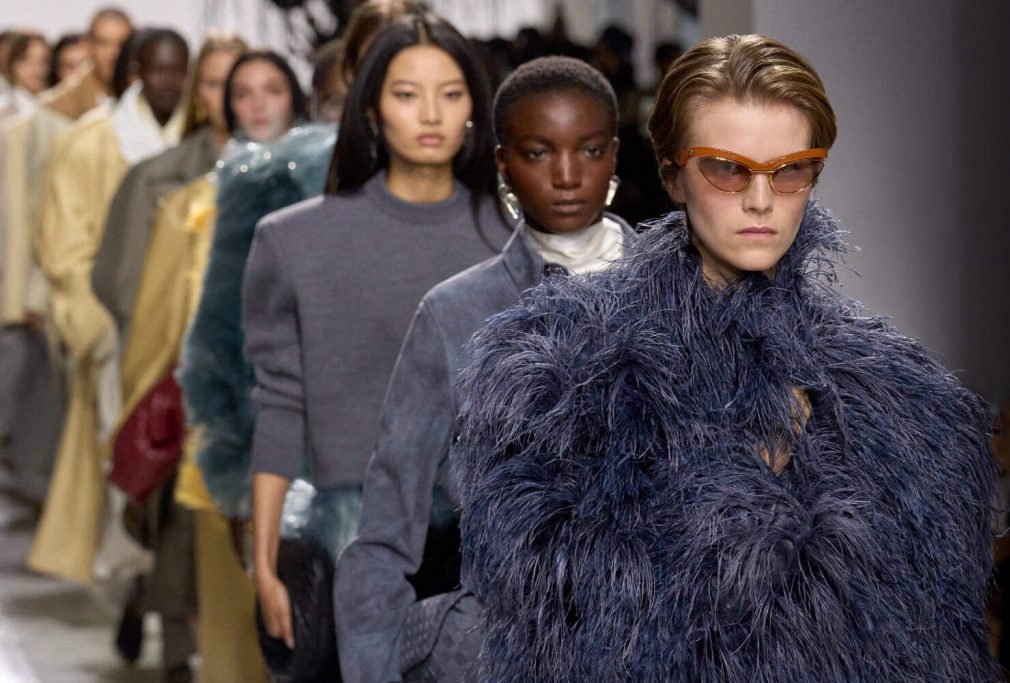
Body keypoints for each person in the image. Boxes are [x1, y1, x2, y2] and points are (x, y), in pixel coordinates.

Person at [455, 34, 999, 681]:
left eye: (789, 169)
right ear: (672, 173)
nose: (760, 199)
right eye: (727, 168)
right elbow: (555, 630)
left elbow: (934, 644)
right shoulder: (564, 382)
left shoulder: (910, 406)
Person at [335, 55, 634, 682]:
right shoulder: (456, 313)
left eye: (590, 150)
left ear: (614, 154)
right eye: (537, 153)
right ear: (503, 163)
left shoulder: (685, 295)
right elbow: (385, 530)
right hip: (509, 650)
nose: (567, 176)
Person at [232, 11, 509, 670]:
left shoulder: (512, 244)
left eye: (450, 93)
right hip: (344, 553)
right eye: (407, 94)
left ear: (474, 107)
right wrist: (264, 560)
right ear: (371, 111)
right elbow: (280, 406)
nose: (431, 114)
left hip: (485, 560)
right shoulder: (293, 241)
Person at [123, 48, 306, 682]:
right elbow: (158, 322)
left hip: (313, 434)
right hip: (222, 426)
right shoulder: (193, 205)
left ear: (295, 98)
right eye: (242, 92)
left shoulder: (332, 195)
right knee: (230, 615)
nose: (258, 105)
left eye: (272, 89)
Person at [28, 28, 189, 587]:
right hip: (117, 330)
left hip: (185, 333)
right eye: (158, 69)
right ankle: (133, 587)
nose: (169, 81)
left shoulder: (203, 138)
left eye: (179, 70)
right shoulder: (91, 143)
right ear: (135, 72)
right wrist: (96, 330)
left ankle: (161, 591)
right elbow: (64, 248)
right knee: (122, 456)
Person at [94, 33, 248, 339]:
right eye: (214, 84)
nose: (228, 96)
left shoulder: (289, 171)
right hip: (176, 348)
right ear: (197, 91)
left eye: (238, 84)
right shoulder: (152, 178)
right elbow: (123, 285)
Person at [42, 7, 133, 121]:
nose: (114, 54)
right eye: (103, 43)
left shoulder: (146, 95)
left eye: (122, 44)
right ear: (89, 46)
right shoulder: (55, 107)